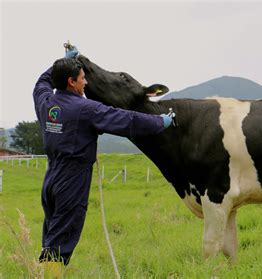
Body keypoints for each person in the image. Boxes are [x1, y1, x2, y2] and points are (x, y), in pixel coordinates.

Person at [32, 46, 172, 275]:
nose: (85, 83)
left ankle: (39, 272)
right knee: (59, 245)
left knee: (51, 237)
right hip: (72, 182)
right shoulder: (86, 109)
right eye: (82, 79)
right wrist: (160, 122)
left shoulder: (45, 101)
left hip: (51, 181)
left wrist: (60, 62)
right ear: (71, 82)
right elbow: (127, 120)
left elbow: (42, 81)